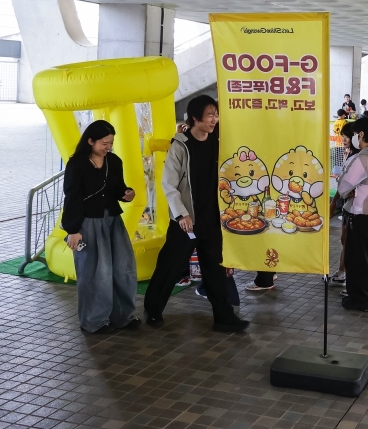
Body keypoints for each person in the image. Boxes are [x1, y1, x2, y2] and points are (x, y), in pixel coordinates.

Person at [145, 96, 249, 331]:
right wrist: (181, 215)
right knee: (170, 267)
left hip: (213, 220)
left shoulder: (219, 141)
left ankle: (223, 317)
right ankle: (153, 310)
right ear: (195, 118)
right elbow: (169, 184)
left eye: (216, 115)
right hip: (187, 221)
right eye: (210, 115)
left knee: (216, 269)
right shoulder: (181, 146)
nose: (214, 120)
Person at [61, 120, 139, 334]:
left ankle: (123, 316)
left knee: (123, 268)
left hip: (112, 219)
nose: (108, 147)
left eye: (111, 143)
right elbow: (72, 197)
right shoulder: (77, 164)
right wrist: (73, 230)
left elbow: (118, 188)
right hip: (88, 222)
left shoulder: (114, 161)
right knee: (95, 272)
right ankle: (94, 321)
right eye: (104, 143)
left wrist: (126, 193)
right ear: (90, 141)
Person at [337, 117, 368, 312]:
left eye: (355, 134)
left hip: (360, 214)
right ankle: (366, 294)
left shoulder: (363, 158)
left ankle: (359, 299)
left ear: (362, 135)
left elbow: (343, 186)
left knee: (357, 259)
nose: (353, 138)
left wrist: (349, 188)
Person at [327, 121, 362, 288]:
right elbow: (343, 182)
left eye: (347, 136)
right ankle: (341, 273)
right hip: (347, 204)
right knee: (344, 240)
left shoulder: (360, 158)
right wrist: (334, 201)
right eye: (343, 136)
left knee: (348, 242)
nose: (344, 139)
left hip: (355, 207)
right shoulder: (350, 155)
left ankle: (345, 275)